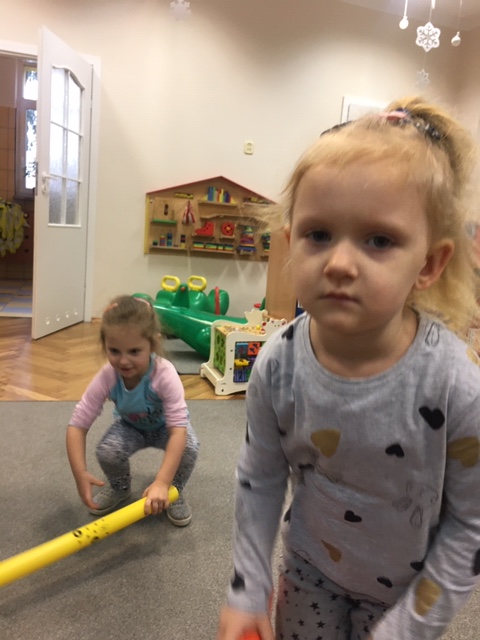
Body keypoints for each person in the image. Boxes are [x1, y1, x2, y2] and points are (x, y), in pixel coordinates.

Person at [217, 97, 480, 640]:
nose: (338, 263)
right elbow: (260, 478)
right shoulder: (277, 363)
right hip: (308, 571)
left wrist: (407, 628)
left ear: (429, 264)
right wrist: (248, 587)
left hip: (404, 598)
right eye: (318, 234)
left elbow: (471, 525)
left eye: (379, 240)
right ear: (290, 243)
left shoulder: (455, 385)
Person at [66, 294, 199, 526]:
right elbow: (77, 425)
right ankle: (120, 487)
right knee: (108, 452)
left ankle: (173, 490)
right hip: (131, 427)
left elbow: (178, 430)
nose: (124, 361)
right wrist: (80, 474)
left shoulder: (165, 374)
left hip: (166, 428)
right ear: (105, 346)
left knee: (189, 447)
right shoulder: (108, 376)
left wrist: (162, 482)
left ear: (153, 345)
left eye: (134, 351)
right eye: (114, 351)